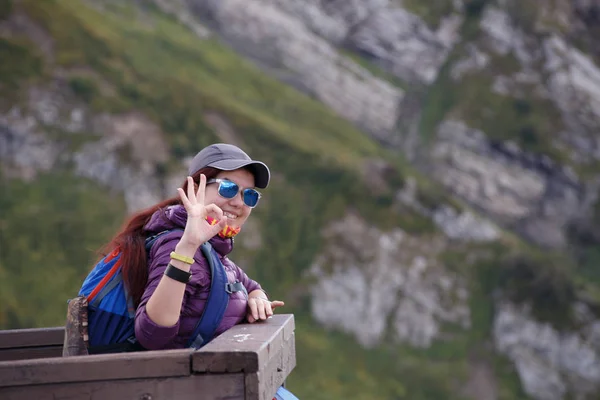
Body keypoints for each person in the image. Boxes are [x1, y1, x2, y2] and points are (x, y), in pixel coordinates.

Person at [98, 143, 284, 350]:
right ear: (195, 189)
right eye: (228, 188)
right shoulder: (178, 245)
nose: (239, 203)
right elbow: (153, 335)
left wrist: (257, 297)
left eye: (249, 195)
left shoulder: (213, 250)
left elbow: (247, 284)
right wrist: (187, 246)